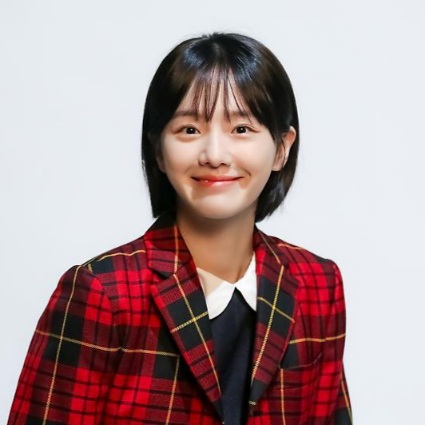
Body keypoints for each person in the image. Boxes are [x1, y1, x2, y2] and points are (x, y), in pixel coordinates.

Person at [8, 33, 352, 424]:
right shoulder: (103, 292)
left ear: (282, 148)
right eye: (189, 130)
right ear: (158, 149)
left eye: (241, 129)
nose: (215, 155)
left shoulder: (317, 284)